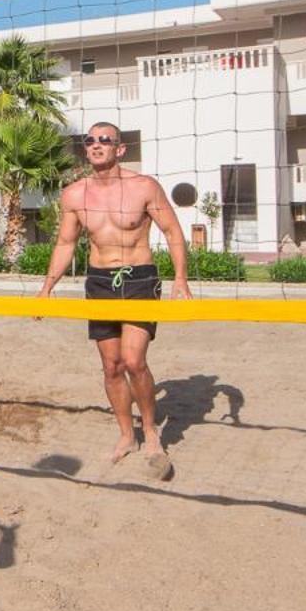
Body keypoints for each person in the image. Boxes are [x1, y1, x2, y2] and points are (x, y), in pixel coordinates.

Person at [36, 122, 191, 478]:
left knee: (134, 361)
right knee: (111, 366)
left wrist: (180, 278)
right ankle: (126, 435)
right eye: (89, 141)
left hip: (140, 278)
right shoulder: (75, 194)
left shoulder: (144, 187)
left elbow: (172, 231)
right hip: (100, 281)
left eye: (104, 140)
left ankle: (150, 431)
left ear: (120, 149)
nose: (95, 145)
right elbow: (65, 244)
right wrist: (47, 288)